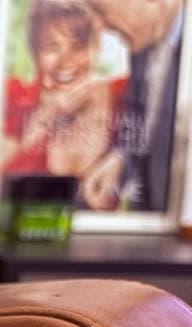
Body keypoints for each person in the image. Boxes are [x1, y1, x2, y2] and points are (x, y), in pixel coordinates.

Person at [1, 0, 126, 199]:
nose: (65, 61)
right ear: (36, 51)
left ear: (95, 46)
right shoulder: (12, 98)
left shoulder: (124, 95)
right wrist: (46, 116)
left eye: (78, 46)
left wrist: (121, 159)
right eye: (51, 47)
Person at [82, 0, 184, 210]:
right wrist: (120, 158)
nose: (100, 26)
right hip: (152, 216)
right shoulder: (140, 45)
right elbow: (138, 118)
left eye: (101, 10)